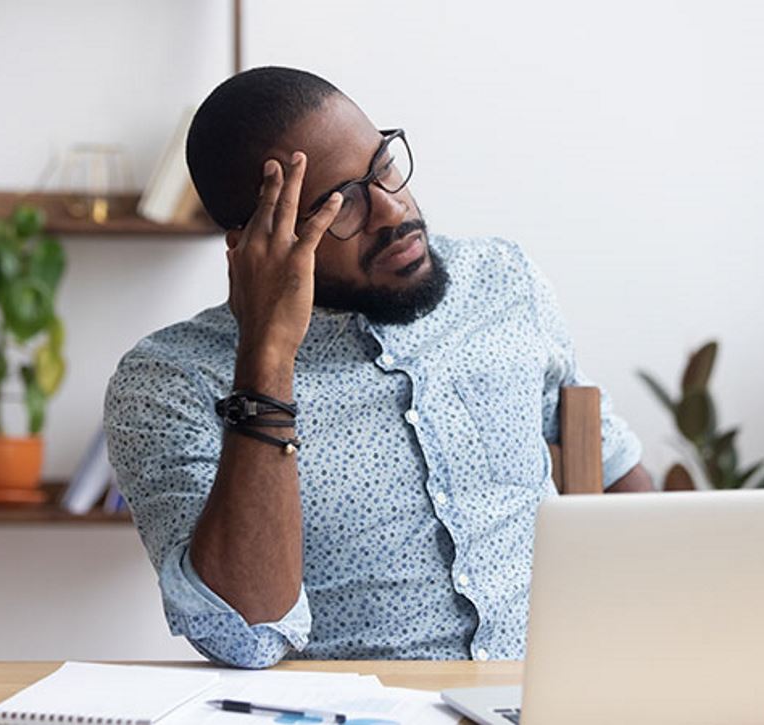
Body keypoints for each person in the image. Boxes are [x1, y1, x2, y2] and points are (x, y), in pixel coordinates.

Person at [104, 66, 653, 669]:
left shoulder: (502, 281)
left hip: (547, 698)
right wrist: (267, 355)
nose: (392, 211)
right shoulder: (169, 382)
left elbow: (609, 465)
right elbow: (246, 636)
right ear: (254, 242)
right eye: (338, 205)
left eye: (383, 164)